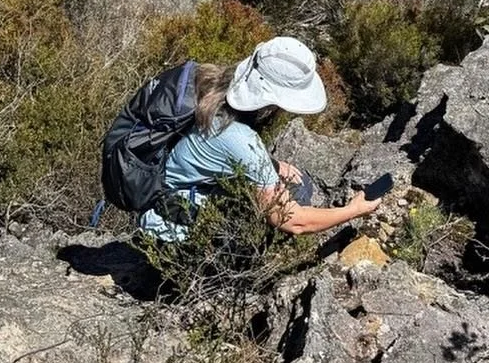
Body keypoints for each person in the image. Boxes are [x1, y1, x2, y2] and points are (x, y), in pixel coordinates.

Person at [137, 36, 381, 241]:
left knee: (298, 184)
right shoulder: (240, 139)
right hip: (169, 237)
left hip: (164, 203)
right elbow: (295, 222)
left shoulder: (211, 82)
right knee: (295, 198)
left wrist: (272, 165)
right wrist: (352, 210)